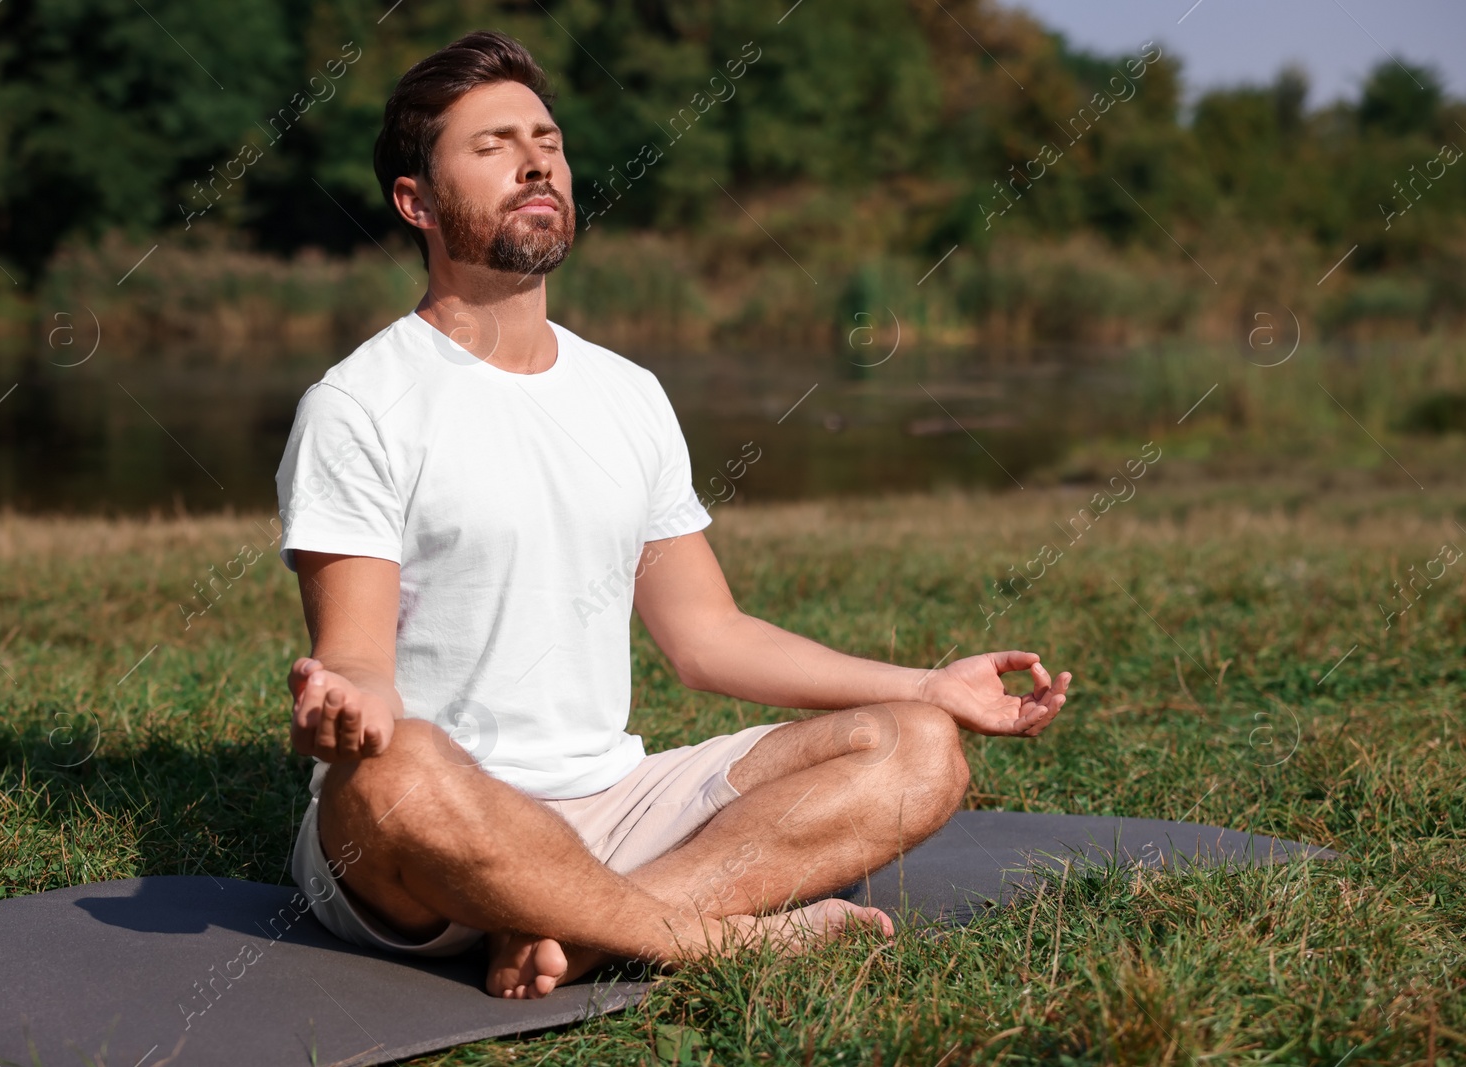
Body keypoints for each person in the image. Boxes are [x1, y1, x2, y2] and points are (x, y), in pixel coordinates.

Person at [275, 28, 1071, 1001]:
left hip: (614, 803)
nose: (535, 161)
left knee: (915, 748)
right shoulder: (359, 404)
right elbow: (356, 656)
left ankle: (584, 931)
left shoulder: (627, 393)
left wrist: (929, 683)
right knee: (395, 775)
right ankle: (702, 934)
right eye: (489, 146)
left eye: (548, 140)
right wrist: (348, 706)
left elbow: (706, 635)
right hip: (441, 826)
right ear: (415, 201)